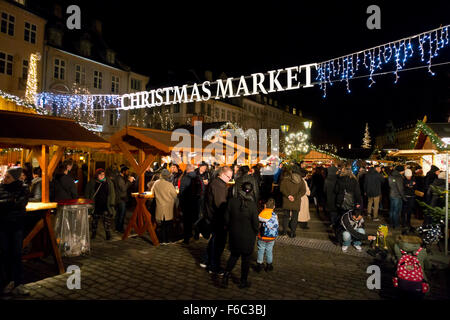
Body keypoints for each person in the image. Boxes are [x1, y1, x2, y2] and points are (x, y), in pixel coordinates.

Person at [222, 182, 259, 289]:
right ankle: (243, 281)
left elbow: (226, 218)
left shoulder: (232, 202)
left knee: (233, 256)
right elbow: (255, 223)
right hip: (248, 236)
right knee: (246, 259)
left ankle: (226, 275)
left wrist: (230, 228)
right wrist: (256, 232)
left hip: (235, 234)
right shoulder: (252, 205)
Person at [0, 167, 30, 296]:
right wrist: (11, 202)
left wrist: (7, 204)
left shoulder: (23, 187)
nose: (4, 179)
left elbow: (21, 204)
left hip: (16, 225)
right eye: (5, 176)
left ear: (15, 178)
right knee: (4, 254)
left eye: (8, 177)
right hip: (2, 225)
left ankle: (18, 283)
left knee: (17, 254)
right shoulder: (1, 187)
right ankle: (6, 283)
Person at [203, 166, 233, 274]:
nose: (230, 179)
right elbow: (220, 205)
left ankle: (207, 260)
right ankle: (213, 266)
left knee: (214, 240)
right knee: (218, 244)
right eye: (229, 177)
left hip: (213, 217)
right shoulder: (218, 186)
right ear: (222, 174)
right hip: (217, 219)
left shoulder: (216, 183)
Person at [85, 169, 116, 240]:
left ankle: (108, 234)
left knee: (106, 221)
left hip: (105, 204)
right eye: (100, 174)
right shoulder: (92, 182)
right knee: (94, 221)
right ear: (97, 175)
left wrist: (112, 203)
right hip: (95, 205)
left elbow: (112, 193)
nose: (102, 176)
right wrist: (89, 202)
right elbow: (87, 193)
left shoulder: (108, 182)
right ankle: (94, 233)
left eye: (103, 174)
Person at [151, 169, 178, 245]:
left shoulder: (156, 183)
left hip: (159, 206)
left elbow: (152, 192)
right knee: (168, 224)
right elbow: (174, 195)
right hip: (168, 206)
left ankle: (162, 239)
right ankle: (166, 239)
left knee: (162, 224)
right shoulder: (169, 184)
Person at [279, 166, 306, 238]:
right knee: (295, 217)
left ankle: (284, 232)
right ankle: (292, 233)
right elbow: (303, 191)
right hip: (296, 201)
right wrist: (295, 197)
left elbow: (281, 189)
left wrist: (288, 196)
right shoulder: (301, 180)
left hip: (287, 200)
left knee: (286, 217)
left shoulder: (285, 179)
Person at [179, 164, 201, 244]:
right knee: (195, 219)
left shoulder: (185, 178)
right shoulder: (198, 178)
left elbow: (181, 192)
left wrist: (181, 204)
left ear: (187, 169)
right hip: (196, 202)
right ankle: (196, 235)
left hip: (187, 203)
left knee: (187, 221)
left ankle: (187, 238)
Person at [255, 198, 278, 272]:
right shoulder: (275, 215)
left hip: (262, 236)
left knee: (260, 250)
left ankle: (259, 265)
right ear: (274, 207)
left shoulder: (261, 214)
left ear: (265, 205)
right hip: (271, 237)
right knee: (269, 250)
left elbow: (258, 225)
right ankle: (269, 265)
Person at [114, 166, 135, 233]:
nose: (128, 172)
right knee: (121, 214)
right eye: (127, 171)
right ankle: (119, 229)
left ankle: (118, 228)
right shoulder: (119, 179)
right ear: (123, 171)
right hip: (120, 198)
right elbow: (123, 188)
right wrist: (129, 181)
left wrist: (129, 181)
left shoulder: (122, 178)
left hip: (122, 198)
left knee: (120, 214)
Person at [388, 165, 406, 230]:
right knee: (396, 211)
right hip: (397, 195)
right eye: (403, 170)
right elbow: (400, 188)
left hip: (391, 194)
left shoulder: (391, 175)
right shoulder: (398, 177)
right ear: (401, 171)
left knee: (392, 210)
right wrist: (403, 197)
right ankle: (396, 224)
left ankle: (391, 223)